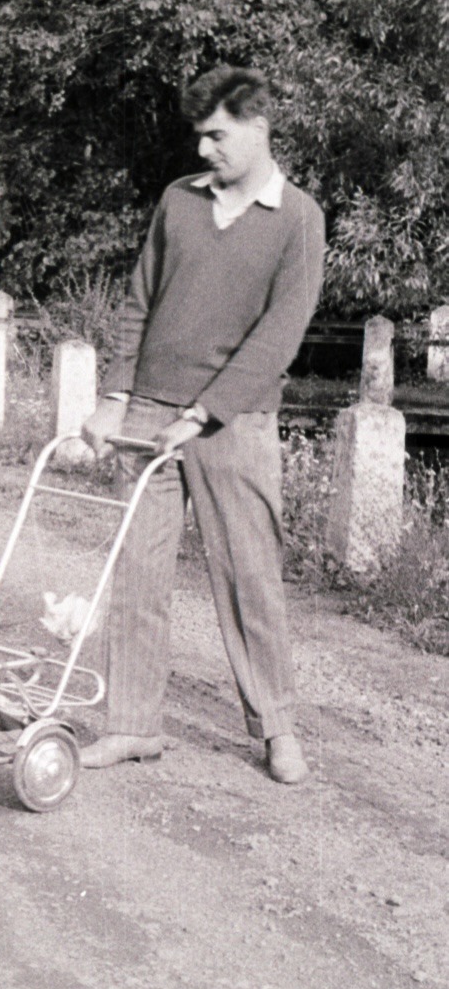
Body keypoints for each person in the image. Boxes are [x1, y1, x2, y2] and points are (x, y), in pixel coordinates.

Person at [80, 66, 325, 784]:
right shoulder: (177, 202)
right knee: (136, 572)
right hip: (149, 411)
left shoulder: (298, 219)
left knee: (249, 576)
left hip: (233, 424)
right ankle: (130, 725)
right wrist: (111, 396)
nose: (204, 150)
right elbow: (137, 301)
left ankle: (275, 727)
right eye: (199, 136)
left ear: (257, 126)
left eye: (216, 135)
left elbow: (280, 334)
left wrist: (202, 413)